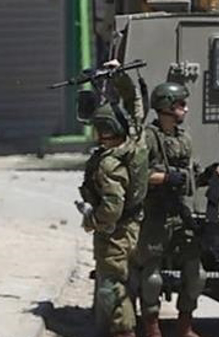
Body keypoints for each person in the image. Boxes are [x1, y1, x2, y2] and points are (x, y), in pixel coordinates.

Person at [133, 82, 219, 337]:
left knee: (196, 274)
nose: (186, 108)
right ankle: (152, 328)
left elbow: (189, 176)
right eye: (181, 104)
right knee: (152, 277)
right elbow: (137, 175)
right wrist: (165, 179)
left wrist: (206, 176)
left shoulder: (183, 137)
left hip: (181, 214)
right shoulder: (148, 138)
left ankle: (185, 326)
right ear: (166, 107)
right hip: (156, 214)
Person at [77, 67, 148, 337]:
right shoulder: (135, 144)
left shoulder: (108, 164)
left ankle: (123, 332)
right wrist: (118, 76)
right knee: (125, 282)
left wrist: (92, 221)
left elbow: (112, 206)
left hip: (115, 232)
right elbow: (134, 107)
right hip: (135, 227)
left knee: (113, 286)